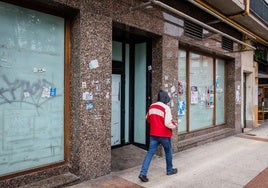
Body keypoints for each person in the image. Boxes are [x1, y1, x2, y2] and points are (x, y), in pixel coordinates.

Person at [138, 90, 178, 182]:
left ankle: (143, 173)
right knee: (168, 152)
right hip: (164, 135)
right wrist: (174, 125)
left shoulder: (152, 106)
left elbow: (147, 118)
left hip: (153, 134)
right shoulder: (165, 108)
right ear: (165, 98)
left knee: (150, 153)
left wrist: (155, 123)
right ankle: (169, 170)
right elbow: (168, 123)